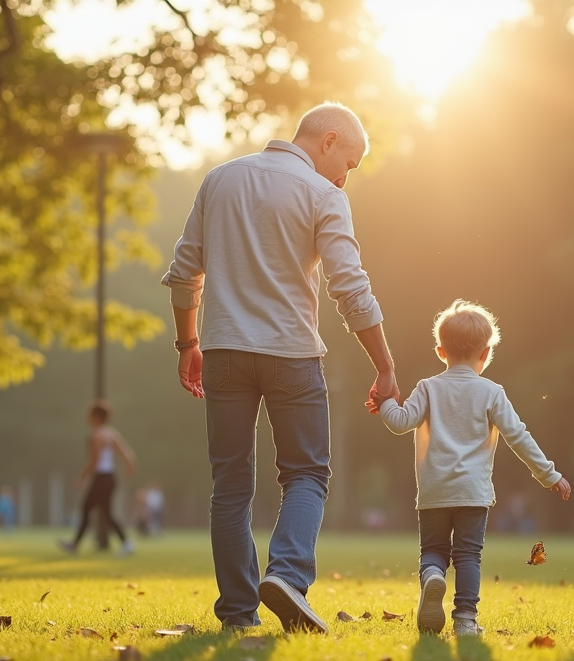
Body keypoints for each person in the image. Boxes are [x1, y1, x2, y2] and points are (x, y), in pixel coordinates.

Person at [163, 102, 398, 634]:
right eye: (350, 163)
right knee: (308, 473)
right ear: (329, 140)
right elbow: (350, 288)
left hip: (223, 352)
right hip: (291, 354)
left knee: (230, 484)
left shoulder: (219, 180)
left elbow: (183, 273)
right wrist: (384, 364)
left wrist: (187, 343)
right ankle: (287, 576)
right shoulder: (324, 194)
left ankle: (238, 614)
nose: (346, 176)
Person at [377, 300, 571, 636]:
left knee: (433, 551)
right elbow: (518, 437)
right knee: (468, 556)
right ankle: (465, 619)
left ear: (441, 351)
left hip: (434, 491)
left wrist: (384, 401)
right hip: (473, 494)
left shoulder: (427, 387)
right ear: (485, 354)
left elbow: (399, 421)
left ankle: (433, 577)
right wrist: (549, 474)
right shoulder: (492, 392)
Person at [59, 400, 138, 556]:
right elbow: (128, 455)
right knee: (103, 512)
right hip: (110, 478)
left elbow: (94, 462)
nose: (87, 418)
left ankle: (75, 544)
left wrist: (82, 477)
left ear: (96, 417)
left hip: (101, 478)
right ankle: (125, 543)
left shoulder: (95, 435)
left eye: (89, 415)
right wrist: (130, 468)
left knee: (88, 508)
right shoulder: (111, 433)